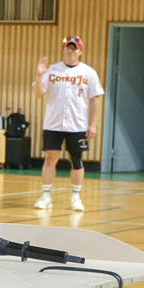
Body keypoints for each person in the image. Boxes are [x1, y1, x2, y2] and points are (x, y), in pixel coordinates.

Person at [35, 36, 102, 212]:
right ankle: (46, 196)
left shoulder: (88, 72)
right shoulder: (52, 70)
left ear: (80, 51)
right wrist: (39, 75)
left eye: (74, 48)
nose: (70, 51)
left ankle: (76, 197)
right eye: (67, 48)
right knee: (50, 158)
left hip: (77, 124)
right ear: (64, 49)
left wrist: (93, 125)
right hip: (53, 123)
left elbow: (95, 100)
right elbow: (39, 94)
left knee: (76, 159)